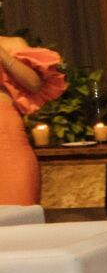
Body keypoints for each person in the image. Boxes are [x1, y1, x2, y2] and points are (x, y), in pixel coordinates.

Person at [0, 31, 65, 206]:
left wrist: (2, 54)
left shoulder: (11, 44)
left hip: (6, 141)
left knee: (18, 215)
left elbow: (34, 84)